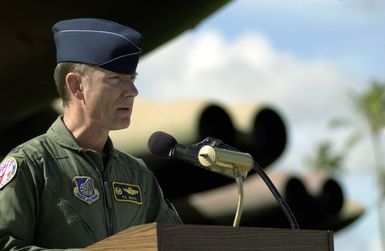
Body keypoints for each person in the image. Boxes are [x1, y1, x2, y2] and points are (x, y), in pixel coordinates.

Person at [0, 18, 182, 250]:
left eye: (132, 79)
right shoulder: (32, 165)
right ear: (76, 85)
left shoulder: (139, 175)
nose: (133, 92)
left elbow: (174, 243)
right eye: (116, 79)